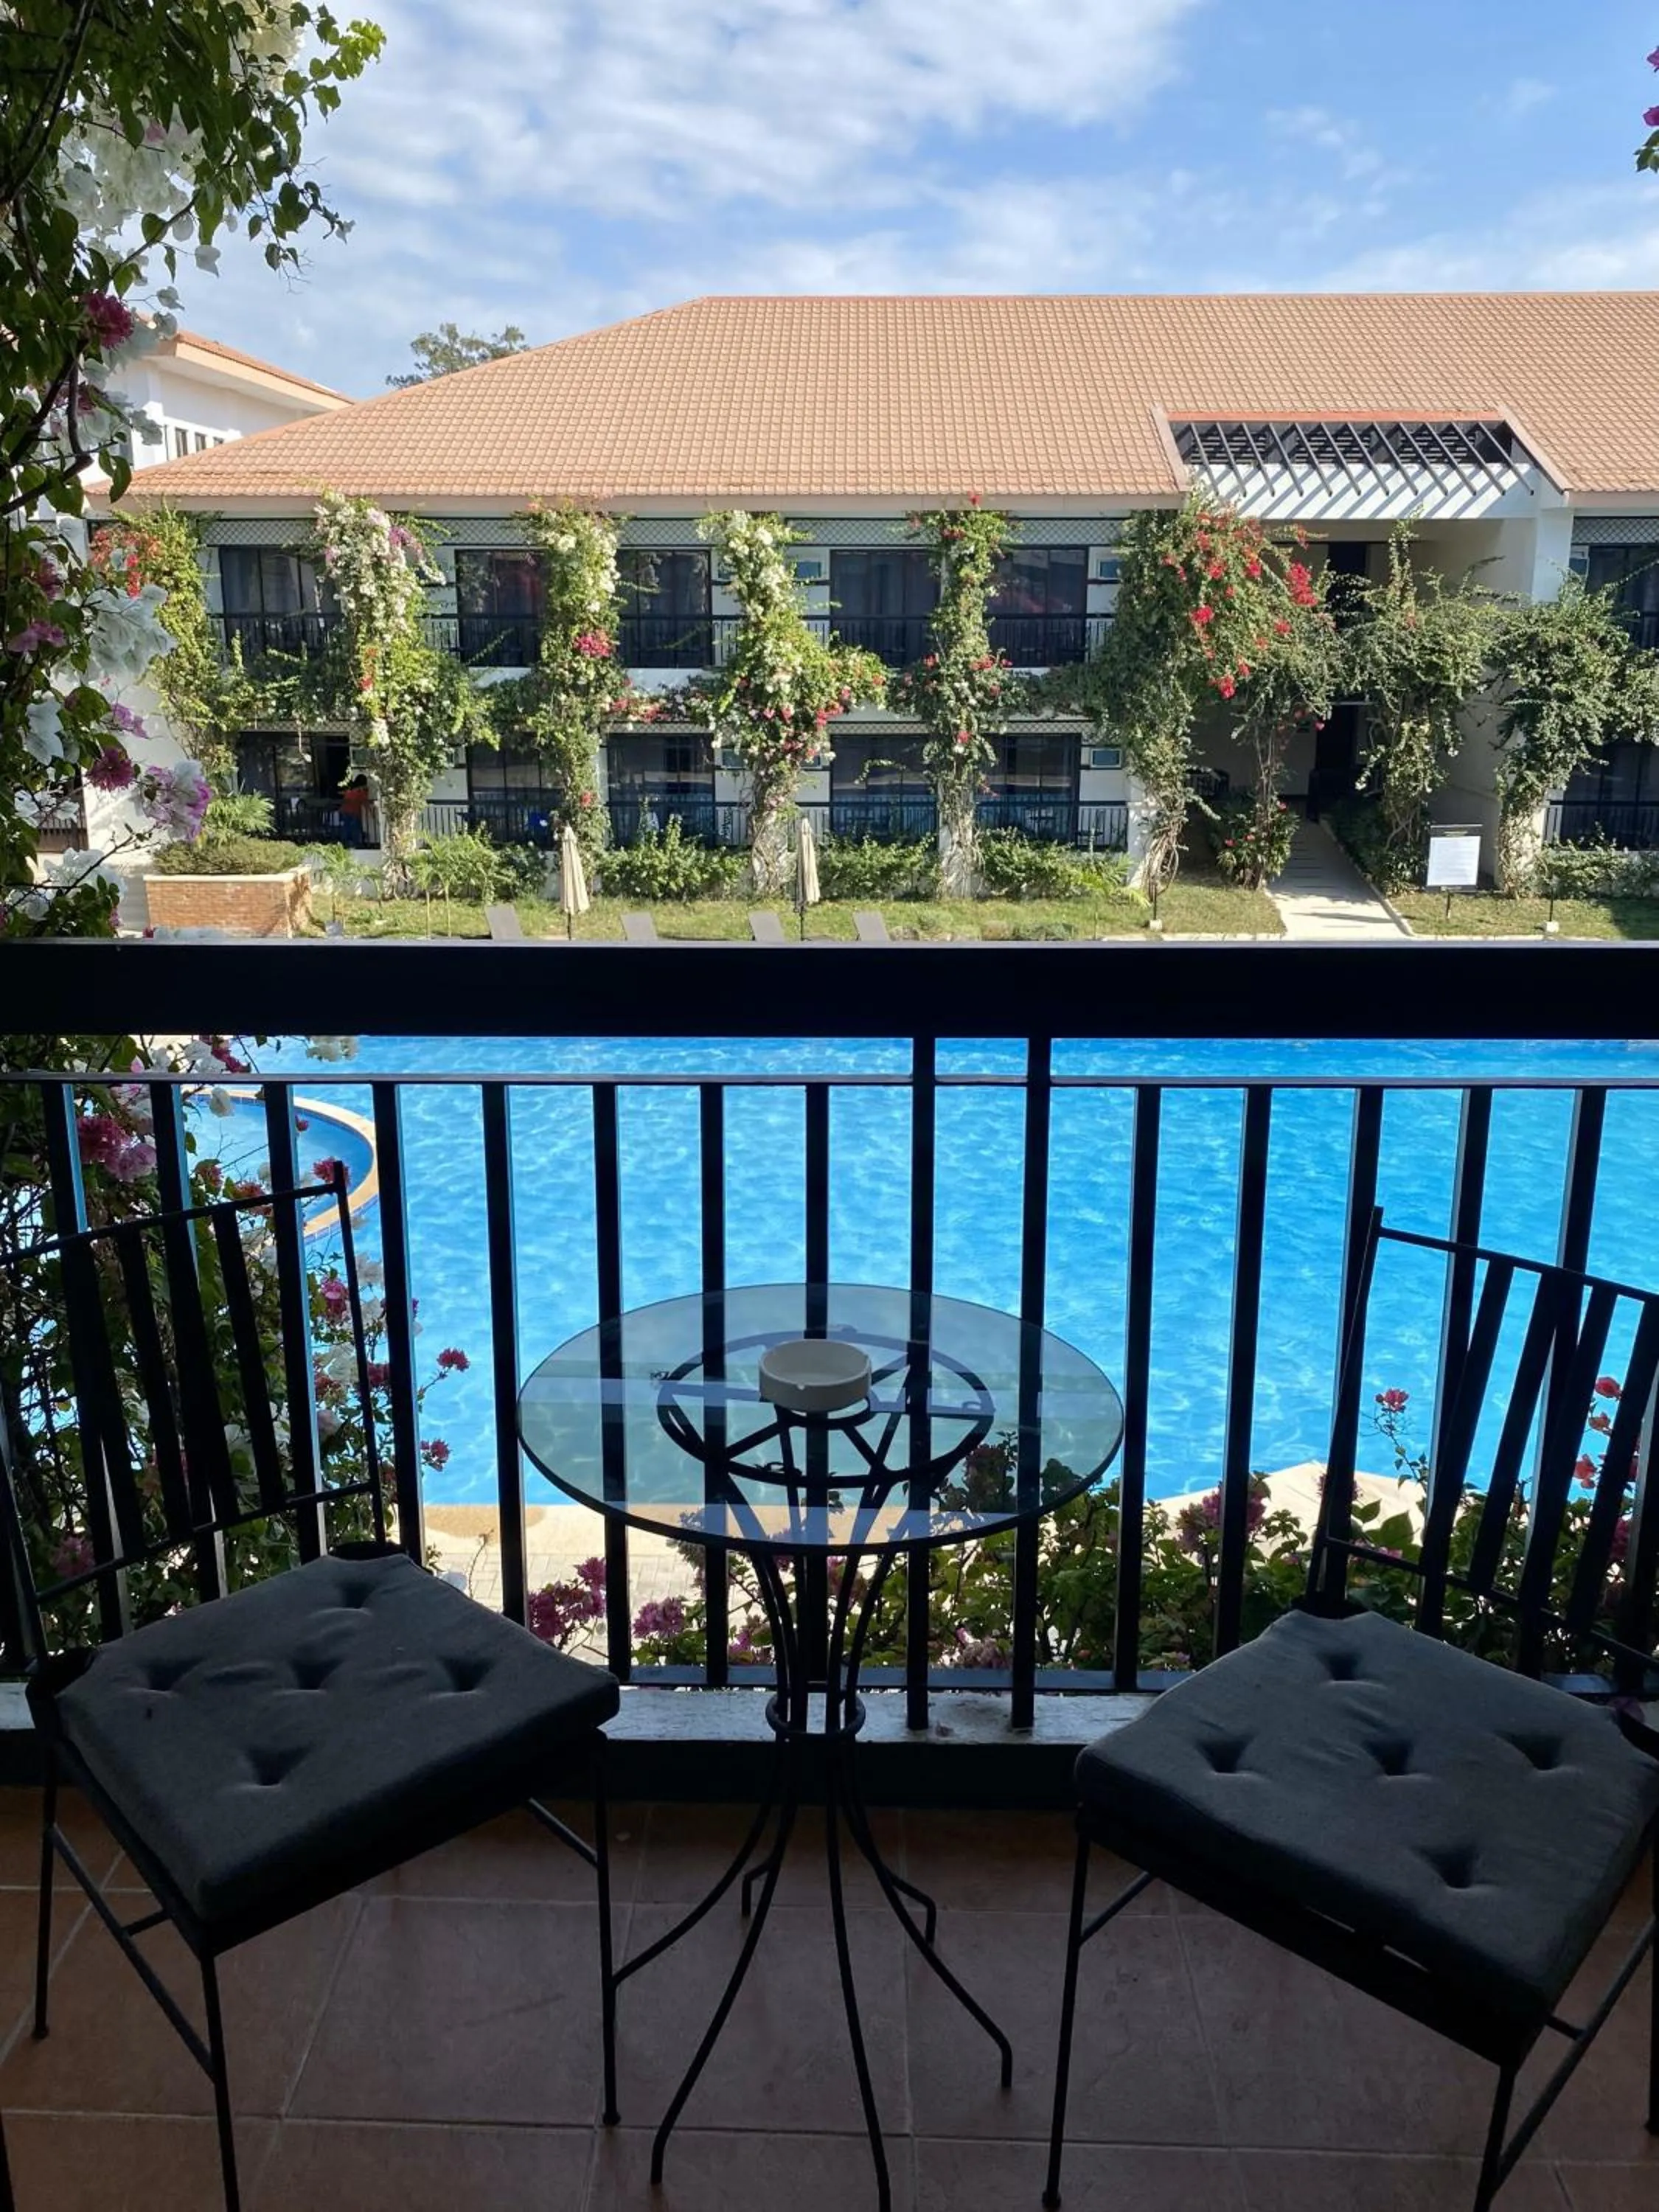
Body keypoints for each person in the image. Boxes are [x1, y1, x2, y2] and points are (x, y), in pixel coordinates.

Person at [338, 773, 371, 849]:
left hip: (345, 811)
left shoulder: (351, 790)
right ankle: (355, 844)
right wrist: (370, 812)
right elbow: (365, 802)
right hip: (354, 812)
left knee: (347, 828)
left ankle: (346, 843)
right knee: (355, 828)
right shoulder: (361, 791)